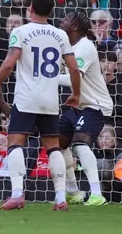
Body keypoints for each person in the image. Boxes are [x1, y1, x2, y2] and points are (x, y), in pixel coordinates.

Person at [0, 0, 81, 211]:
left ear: (30, 9)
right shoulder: (61, 35)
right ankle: (60, 198)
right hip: (50, 100)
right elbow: (74, 68)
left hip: (26, 99)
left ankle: (18, 194)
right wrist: (76, 94)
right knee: (53, 147)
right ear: (51, 11)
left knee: (15, 143)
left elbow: (9, 64)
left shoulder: (20, 31)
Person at [57, 12, 113, 206]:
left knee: (80, 145)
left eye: (66, 19)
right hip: (78, 105)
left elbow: (73, 78)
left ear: (75, 26)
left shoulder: (85, 47)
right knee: (58, 144)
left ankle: (97, 194)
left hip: (96, 104)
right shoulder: (65, 46)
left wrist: (43, 79)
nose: (61, 21)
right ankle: (73, 191)